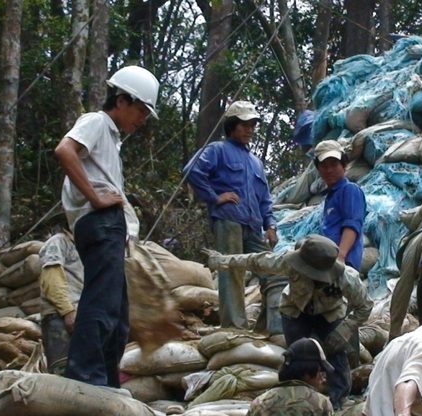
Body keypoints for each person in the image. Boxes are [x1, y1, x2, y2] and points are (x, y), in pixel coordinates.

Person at [53, 65, 159, 388]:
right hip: (101, 223)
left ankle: (107, 381)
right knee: (101, 305)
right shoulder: (97, 122)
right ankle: (86, 377)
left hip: (109, 227)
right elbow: (64, 150)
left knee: (117, 315)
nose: (141, 120)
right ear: (122, 100)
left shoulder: (112, 141)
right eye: (140, 110)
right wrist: (97, 199)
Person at [206, 234, 372, 408]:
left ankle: (339, 399)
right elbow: (256, 261)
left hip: (330, 314)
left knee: (337, 354)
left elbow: (365, 306)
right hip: (295, 311)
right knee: (297, 355)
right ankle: (298, 397)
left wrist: (344, 330)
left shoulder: (347, 278)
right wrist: (221, 260)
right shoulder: (289, 262)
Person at [183, 100, 280, 330]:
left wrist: (271, 225)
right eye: (244, 124)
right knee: (233, 273)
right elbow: (192, 170)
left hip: (253, 225)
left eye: (253, 125)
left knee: (273, 270)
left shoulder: (255, 163)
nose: (250, 130)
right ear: (232, 126)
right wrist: (215, 198)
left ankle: (271, 325)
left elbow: (265, 198)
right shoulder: (218, 150)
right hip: (228, 220)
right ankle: (234, 328)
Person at [38, 224, 84, 376]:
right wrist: (67, 311)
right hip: (60, 316)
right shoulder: (58, 242)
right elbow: (51, 279)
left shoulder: (83, 247)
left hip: (80, 315)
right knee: (63, 373)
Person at [313, 140, 366, 270]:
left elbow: (352, 225)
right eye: (324, 166)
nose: (329, 170)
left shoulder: (350, 190)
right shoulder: (331, 196)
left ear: (344, 165)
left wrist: (340, 258)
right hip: (329, 263)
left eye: (334, 164)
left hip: (342, 264)